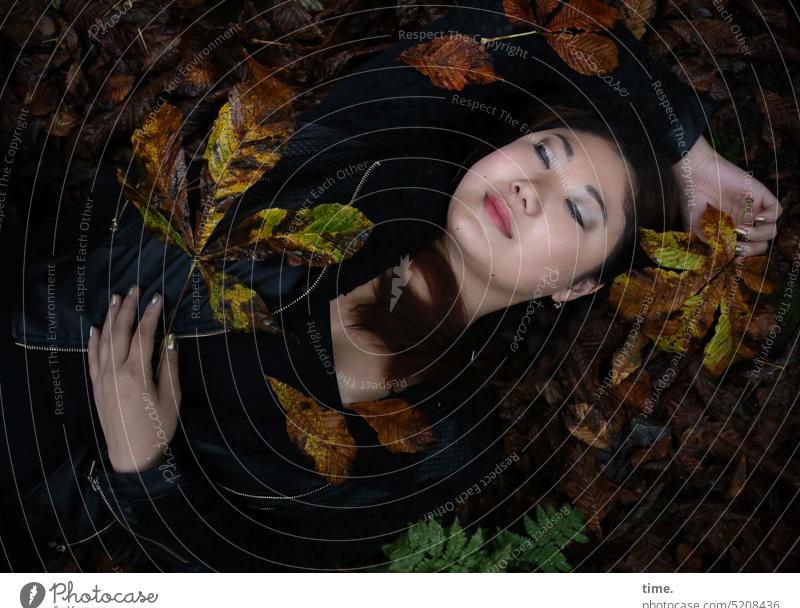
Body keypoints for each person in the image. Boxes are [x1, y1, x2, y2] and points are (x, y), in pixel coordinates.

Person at [1, 0, 782, 571]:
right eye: (542, 153)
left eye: (579, 210)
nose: (530, 191)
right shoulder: (368, 159)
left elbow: (254, 581)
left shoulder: (450, 447)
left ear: (574, 287)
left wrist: (146, 470)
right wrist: (682, 142)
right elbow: (521, 21)